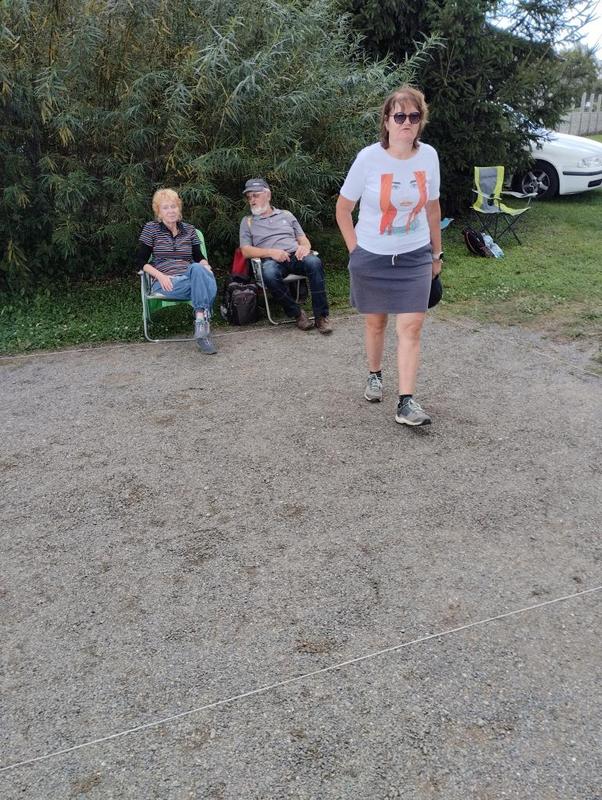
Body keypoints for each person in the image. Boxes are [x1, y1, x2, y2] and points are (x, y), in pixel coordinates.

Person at [335, 85, 442, 426]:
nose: (406, 122)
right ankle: (375, 374)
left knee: (411, 327)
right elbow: (343, 209)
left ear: (420, 121)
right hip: (372, 255)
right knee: (376, 322)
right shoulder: (369, 158)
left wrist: (436, 254)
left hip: (415, 254)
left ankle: (406, 402)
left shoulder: (429, 156)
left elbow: (433, 208)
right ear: (386, 121)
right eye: (399, 116)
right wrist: (355, 251)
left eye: (414, 116)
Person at [239, 179, 333, 334]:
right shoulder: (247, 221)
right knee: (269, 273)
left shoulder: (286, 215)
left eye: (255, 195)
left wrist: (304, 248)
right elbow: (246, 251)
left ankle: (321, 316)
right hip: (271, 260)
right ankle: (297, 313)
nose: (252, 200)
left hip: (295, 256)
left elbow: (303, 240)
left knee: (314, 262)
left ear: (268, 195)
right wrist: (271, 252)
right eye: (249, 197)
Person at [136, 188, 218, 354]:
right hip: (166, 282)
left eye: (173, 206)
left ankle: (200, 319)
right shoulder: (151, 229)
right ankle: (202, 324)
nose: (171, 211)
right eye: (165, 207)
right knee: (207, 283)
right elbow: (140, 262)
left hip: (190, 276)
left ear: (179, 208)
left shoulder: (190, 230)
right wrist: (160, 276)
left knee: (198, 268)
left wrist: (206, 265)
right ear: (158, 212)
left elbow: (199, 257)